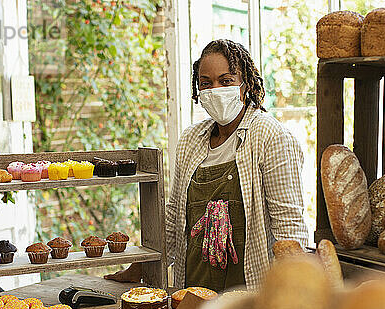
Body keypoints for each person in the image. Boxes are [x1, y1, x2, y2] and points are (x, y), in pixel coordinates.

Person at [105, 39, 308, 291]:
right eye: (206, 83)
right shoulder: (192, 139)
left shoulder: (270, 136)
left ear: (245, 84)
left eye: (226, 81)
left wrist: (292, 295)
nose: (216, 89)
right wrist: (140, 267)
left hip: (249, 297)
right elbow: (174, 218)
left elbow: (289, 228)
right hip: (193, 289)